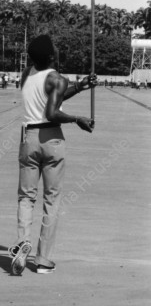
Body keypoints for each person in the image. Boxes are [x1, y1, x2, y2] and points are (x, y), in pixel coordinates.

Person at [9, 34, 96, 276]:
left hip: (29, 138)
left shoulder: (26, 75)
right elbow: (52, 111)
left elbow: (53, 95)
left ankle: (23, 242)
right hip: (52, 140)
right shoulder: (57, 78)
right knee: (51, 199)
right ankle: (43, 259)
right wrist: (77, 119)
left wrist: (79, 87)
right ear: (50, 56)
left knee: (26, 197)